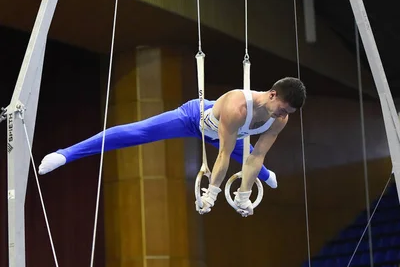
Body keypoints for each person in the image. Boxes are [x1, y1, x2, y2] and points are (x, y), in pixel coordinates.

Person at [39, 77, 306, 217]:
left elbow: (257, 154)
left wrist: (244, 196)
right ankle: (66, 154)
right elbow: (224, 155)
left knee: (253, 160)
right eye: (282, 108)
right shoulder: (238, 106)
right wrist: (212, 194)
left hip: (232, 136)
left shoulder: (280, 118)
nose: (281, 115)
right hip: (193, 120)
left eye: (287, 112)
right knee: (137, 132)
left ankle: (266, 175)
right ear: (272, 95)